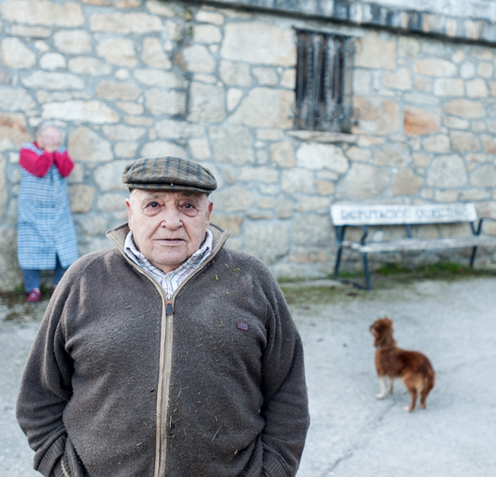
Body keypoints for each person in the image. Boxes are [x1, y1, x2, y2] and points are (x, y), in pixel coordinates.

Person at [16, 156, 310, 477]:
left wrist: (272, 471)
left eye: (187, 206)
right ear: (130, 212)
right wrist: (64, 470)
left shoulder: (252, 280)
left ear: (207, 213)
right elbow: (38, 398)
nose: (171, 221)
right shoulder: (84, 279)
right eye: (154, 205)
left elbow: (288, 396)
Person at [17, 122, 78, 303]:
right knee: (30, 250)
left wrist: (55, 152)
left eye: (57, 138)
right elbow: (40, 169)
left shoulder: (61, 151)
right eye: (51, 137)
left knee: (64, 250)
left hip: (58, 211)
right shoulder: (26, 151)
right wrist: (50, 152)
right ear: (40, 137)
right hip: (33, 212)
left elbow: (66, 170)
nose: (56, 141)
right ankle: (33, 289)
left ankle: (58, 286)